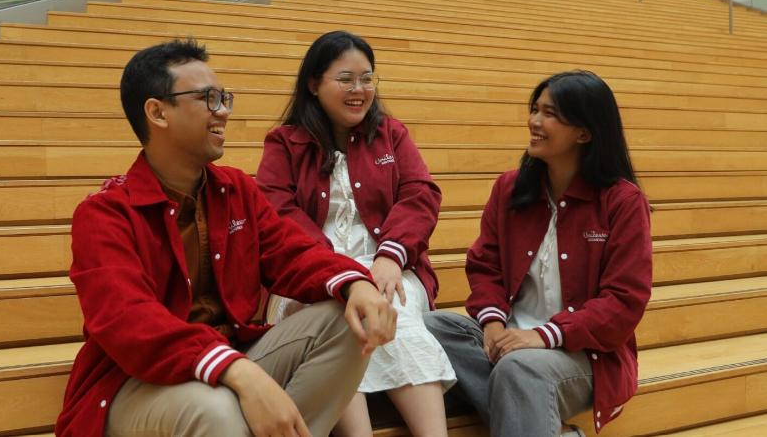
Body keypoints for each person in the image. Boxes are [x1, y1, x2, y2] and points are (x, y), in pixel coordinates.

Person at [55, 39, 398, 437]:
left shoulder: (236, 189)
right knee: (219, 410)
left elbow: (292, 254)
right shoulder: (104, 214)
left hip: (229, 361)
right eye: (208, 98)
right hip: (134, 382)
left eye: (224, 98)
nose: (223, 111)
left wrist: (356, 284)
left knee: (348, 318)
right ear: (157, 113)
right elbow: (128, 321)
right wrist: (236, 371)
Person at [424, 70, 653, 437]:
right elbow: (485, 265)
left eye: (550, 114)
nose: (534, 121)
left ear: (584, 133)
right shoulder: (509, 188)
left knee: (519, 369)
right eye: (535, 110)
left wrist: (546, 335)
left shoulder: (622, 201)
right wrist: (492, 324)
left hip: (584, 354)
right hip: (511, 339)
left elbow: (624, 301)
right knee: (429, 327)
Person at [256, 31, 456, 437]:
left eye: (367, 79)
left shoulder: (391, 134)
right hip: (311, 271)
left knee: (389, 306)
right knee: (337, 314)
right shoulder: (284, 143)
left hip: (391, 266)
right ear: (314, 84)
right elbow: (277, 211)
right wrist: (336, 273)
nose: (359, 90)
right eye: (345, 79)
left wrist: (391, 255)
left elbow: (420, 194)